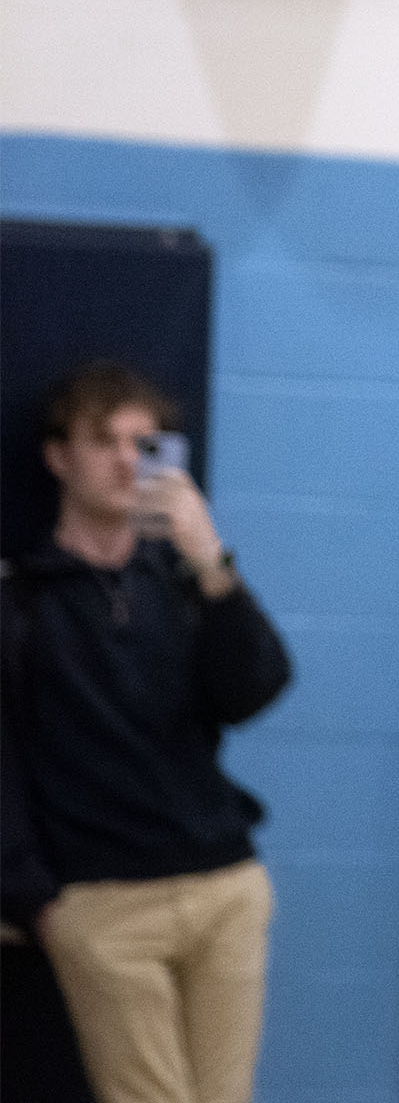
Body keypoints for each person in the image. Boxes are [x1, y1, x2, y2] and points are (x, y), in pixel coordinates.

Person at [1, 361, 293, 1103]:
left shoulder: (185, 583)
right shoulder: (23, 600)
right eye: (105, 440)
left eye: (147, 442)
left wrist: (211, 562)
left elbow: (254, 690)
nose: (128, 459)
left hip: (224, 883)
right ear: (58, 456)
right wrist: (37, 899)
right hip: (101, 902)